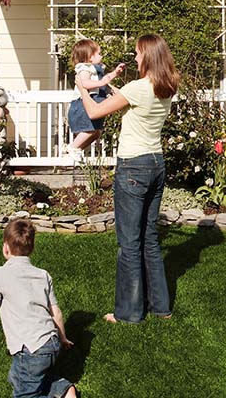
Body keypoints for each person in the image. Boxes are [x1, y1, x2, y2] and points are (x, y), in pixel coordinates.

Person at [76, 34, 179, 323]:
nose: (135, 58)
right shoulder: (166, 86)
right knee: (150, 238)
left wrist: (82, 87)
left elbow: (94, 110)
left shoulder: (138, 88)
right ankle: (161, 307)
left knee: (129, 243)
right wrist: (112, 87)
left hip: (133, 167)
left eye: (137, 53)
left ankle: (129, 313)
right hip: (156, 164)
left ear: (147, 56)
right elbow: (132, 98)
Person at [0, 219, 77, 398]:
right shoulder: (43, 275)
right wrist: (62, 338)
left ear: (5, 248)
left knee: (25, 393)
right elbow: (56, 313)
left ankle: (62, 392)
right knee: (17, 377)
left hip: (30, 349)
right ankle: (63, 389)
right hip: (51, 342)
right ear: (32, 248)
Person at [66, 39, 125, 158]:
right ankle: (73, 147)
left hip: (93, 104)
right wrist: (102, 82)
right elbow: (85, 83)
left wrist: (115, 73)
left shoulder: (95, 68)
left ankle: (77, 148)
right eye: (99, 53)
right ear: (89, 57)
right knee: (90, 130)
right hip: (83, 106)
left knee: (96, 132)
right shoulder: (84, 69)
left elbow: (104, 80)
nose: (101, 55)